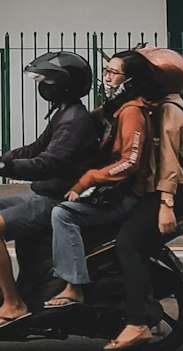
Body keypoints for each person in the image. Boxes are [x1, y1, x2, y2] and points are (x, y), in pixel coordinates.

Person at [0, 51, 97, 331]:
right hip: (44, 193)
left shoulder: (74, 119)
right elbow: (35, 149)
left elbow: (48, 163)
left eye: (47, 80)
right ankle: (19, 286)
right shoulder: (64, 111)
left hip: (56, 198)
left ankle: (13, 304)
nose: (42, 85)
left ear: (64, 84)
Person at [46, 50, 161, 312]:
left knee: (62, 215)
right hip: (113, 190)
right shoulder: (117, 109)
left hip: (126, 195)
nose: (107, 78)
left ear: (129, 81)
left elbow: (130, 162)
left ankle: (74, 287)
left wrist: (86, 180)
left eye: (113, 73)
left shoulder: (133, 112)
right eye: (106, 72)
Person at [104, 46, 183, 351]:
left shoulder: (170, 110)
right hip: (154, 186)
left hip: (170, 188)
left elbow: (169, 161)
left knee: (127, 245)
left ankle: (136, 324)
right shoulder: (157, 103)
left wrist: (166, 205)